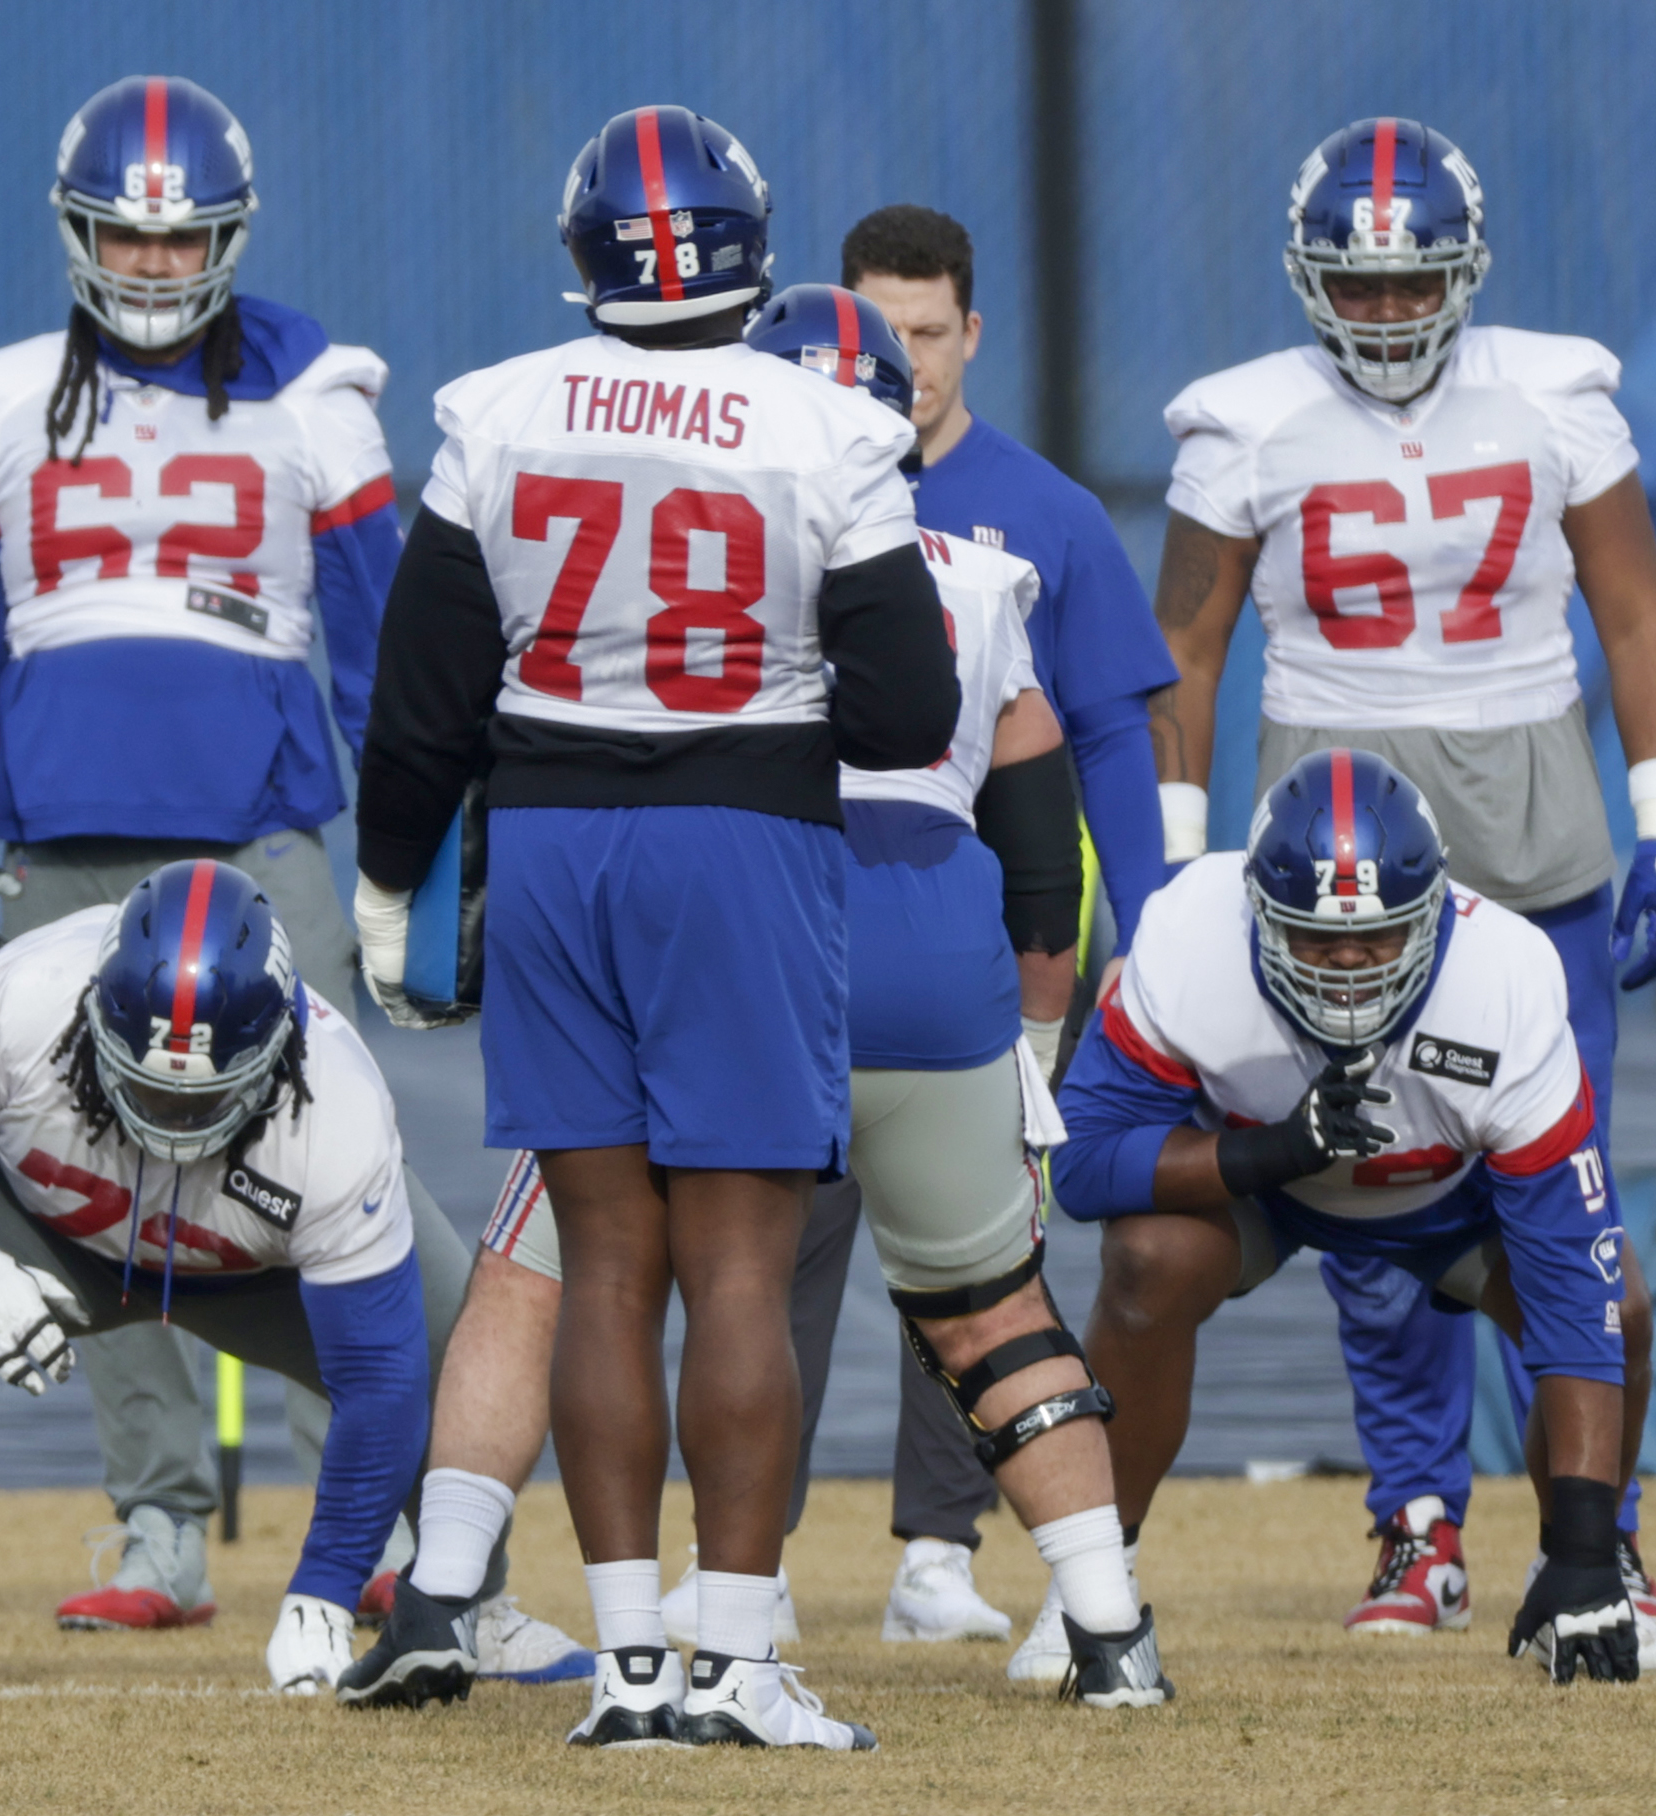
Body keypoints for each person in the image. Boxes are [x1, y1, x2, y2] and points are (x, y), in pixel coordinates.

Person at [339, 289, 1168, 1721]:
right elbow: (1039, 839)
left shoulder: (536, 434)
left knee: (559, 1268)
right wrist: (1034, 1036)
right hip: (903, 946)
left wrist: (401, 876)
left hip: (662, 895)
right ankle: (1103, 1624)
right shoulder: (972, 573)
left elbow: (437, 691)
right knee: (983, 1302)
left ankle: (463, 1590)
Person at [351, 113, 958, 1751]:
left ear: (587, 250)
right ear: (754, 247)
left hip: (553, 842)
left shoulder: (496, 410)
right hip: (741, 838)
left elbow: (420, 704)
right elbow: (910, 711)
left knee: (602, 1259)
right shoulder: (827, 424)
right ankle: (736, 1662)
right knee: (741, 1267)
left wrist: (390, 875)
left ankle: (626, 1663)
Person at [1142, 117, 1656, 1666]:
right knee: (1363, 1186)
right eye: (1357, 288)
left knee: (1558, 1191)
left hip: (1525, 787)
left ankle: (1603, 1546)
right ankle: (1417, 1523)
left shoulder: (1548, 393)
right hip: (1323, 791)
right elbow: (1181, 652)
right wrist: (1174, 862)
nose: (1385, 316)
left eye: (1411, 288)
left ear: (1462, 277)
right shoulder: (1242, 422)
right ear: (1306, 278)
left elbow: (1636, 613)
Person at [0, 76, 413, 1635]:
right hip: (62, 854)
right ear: (77, 234)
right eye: (123, 237)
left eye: (178, 239)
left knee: (333, 1170)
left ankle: (367, 1522)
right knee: (73, 1186)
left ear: (228, 237)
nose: (150, 267)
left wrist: (400, 840)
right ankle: (158, 1524)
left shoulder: (314, 382)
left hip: (262, 839)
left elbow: (379, 642)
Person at [673, 205, 1180, 1651]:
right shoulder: (783, 513)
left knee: (921, 1262)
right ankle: (762, 1567)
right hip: (869, 933)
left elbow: (1101, 734)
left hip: (918, 931)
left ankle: (926, 1551)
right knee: (832, 1258)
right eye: (877, 331)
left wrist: (1133, 930)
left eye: (927, 332)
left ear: (970, 336)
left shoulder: (1041, 518)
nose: (898, 362)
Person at [0, 862, 490, 1692]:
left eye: (204, 1101)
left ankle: (468, 1601)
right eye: (145, 1086)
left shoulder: (336, 1104)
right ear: (94, 1016)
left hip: (256, 1274)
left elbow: (381, 1381)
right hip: (54, 1235)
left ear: (278, 1052)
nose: (170, 1120)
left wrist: (323, 1590)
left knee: (458, 1340)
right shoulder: (26, 997)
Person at [1059, 749, 1651, 1686]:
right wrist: (1271, 1153)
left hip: (1447, 1203)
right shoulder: (1189, 935)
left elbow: (1577, 1279)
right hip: (1263, 1181)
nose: (1347, 971)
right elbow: (1081, 1162)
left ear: (1432, 915)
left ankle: (1590, 1565)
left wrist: (1580, 1542)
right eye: (1315, 940)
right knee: (1146, 1261)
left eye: (1375, 942)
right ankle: (1093, 1585)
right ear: (1258, 912)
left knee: (1623, 1304)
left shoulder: (1504, 977)